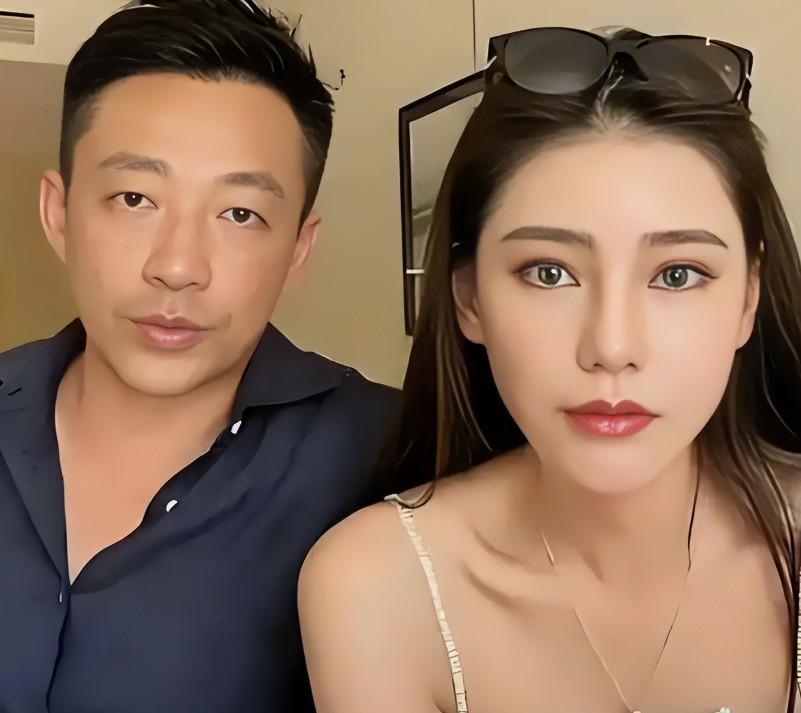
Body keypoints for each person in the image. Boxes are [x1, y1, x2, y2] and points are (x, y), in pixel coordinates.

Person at [299, 26, 801, 713]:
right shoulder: (380, 586)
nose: (611, 347)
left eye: (678, 274)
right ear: (469, 298)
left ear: (747, 299)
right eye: (549, 272)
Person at [0, 1, 397, 711]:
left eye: (240, 214)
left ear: (298, 247)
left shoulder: (394, 457)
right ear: (58, 213)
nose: (178, 267)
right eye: (134, 197)